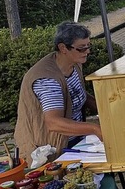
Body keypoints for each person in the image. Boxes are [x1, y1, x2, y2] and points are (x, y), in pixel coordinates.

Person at [14, 22, 102, 166]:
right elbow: (54, 123)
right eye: (81, 48)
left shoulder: (74, 63)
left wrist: (108, 110)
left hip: (76, 138)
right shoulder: (47, 80)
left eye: (88, 46)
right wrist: (94, 128)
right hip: (51, 147)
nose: (87, 52)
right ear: (63, 48)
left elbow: (76, 95)